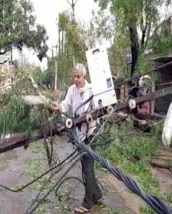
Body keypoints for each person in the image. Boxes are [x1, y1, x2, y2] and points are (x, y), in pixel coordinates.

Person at [51, 63, 102, 213]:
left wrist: (90, 116)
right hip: (80, 134)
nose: (76, 79)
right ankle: (97, 194)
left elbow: (99, 109)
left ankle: (87, 203)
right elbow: (66, 104)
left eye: (78, 77)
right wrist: (58, 107)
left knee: (88, 168)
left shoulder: (93, 90)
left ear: (84, 77)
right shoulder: (71, 90)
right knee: (86, 167)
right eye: (74, 76)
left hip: (92, 134)